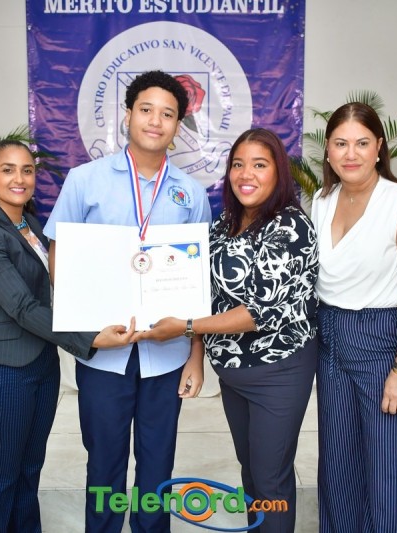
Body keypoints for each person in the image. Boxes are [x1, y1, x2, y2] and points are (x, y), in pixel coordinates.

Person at [43, 70, 212, 533]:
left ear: (178, 125)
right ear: (127, 115)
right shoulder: (85, 181)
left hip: (167, 354)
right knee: (104, 463)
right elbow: (59, 255)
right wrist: (85, 328)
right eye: (146, 110)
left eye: (168, 114)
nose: (156, 121)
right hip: (104, 353)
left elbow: (199, 284)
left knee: (157, 464)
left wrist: (195, 356)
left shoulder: (191, 193)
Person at [137, 128, 318, 532]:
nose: (245, 174)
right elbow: (204, 295)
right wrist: (196, 356)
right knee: (251, 473)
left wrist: (183, 327)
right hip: (233, 373)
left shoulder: (291, 226)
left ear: (278, 172)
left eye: (259, 164)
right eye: (238, 164)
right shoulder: (224, 223)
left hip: (278, 371)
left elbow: (258, 311)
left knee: (270, 479)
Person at [0, 139, 136, 533]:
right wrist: (90, 337)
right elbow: (23, 308)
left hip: (42, 364)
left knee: (29, 469)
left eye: (27, 170)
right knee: (2, 474)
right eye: (7, 170)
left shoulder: (31, 225)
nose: (19, 178)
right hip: (4, 371)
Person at [311, 102, 397, 532]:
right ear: (328, 150)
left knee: (388, 474)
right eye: (340, 143)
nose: (351, 154)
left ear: (379, 147)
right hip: (330, 338)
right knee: (338, 470)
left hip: (384, 340)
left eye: (362, 143)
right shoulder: (323, 200)